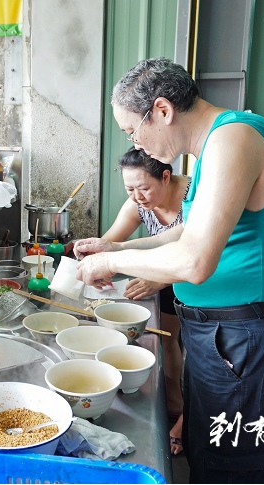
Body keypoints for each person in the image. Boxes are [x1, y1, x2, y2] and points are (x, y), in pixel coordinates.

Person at [73, 57, 264, 483]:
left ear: (162, 111)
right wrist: (116, 245)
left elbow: (195, 261)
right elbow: (181, 236)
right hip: (224, 337)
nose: (137, 144)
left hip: (243, 340)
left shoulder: (234, 138)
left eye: (132, 130)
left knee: (233, 471)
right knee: (209, 460)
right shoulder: (212, 149)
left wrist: (110, 262)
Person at [102, 146, 189, 456]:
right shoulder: (138, 202)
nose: (137, 196)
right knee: (168, 339)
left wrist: (159, 278)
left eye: (143, 188)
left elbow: (201, 258)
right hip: (163, 277)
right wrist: (95, 253)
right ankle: (175, 406)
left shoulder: (193, 197)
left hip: (200, 278)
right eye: (130, 189)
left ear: (166, 177)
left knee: (199, 356)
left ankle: (185, 418)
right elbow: (112, 242)